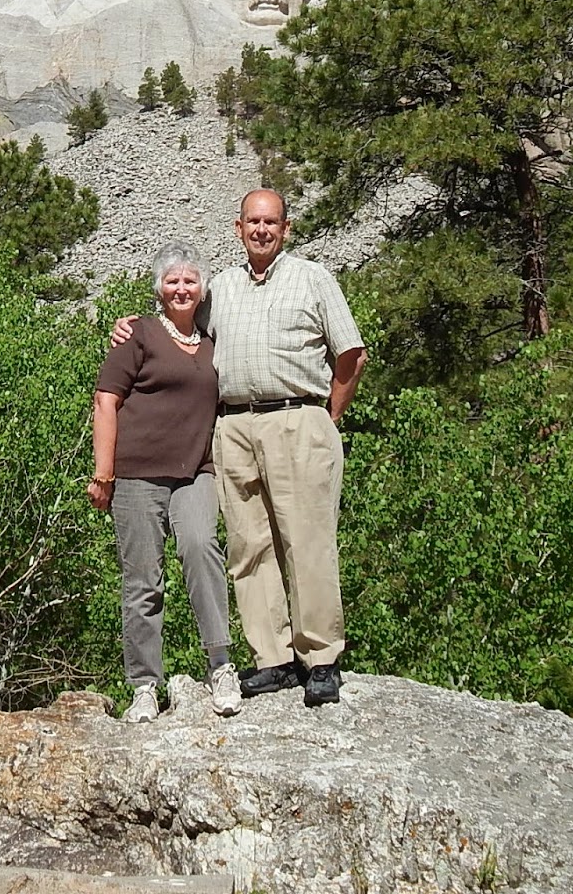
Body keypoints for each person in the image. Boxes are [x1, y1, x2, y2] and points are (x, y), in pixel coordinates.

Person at [113, 191, 366, 707]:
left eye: (271, 222)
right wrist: (130, 325)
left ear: (286, 228)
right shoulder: (222, 288)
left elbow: (351, 354)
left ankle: (320, 658)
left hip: (297, 417)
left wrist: (327, 416)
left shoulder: (313, 278)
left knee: (307, 541)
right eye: (253, 221)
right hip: (233, 427)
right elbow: (179, 320)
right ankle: (272, 658)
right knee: (248, 545)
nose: (261, 230)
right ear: (238, 227)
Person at [90, 242, 241, 723]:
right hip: (137, 475)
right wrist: (103, 474)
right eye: (172, 280)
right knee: (143, 580)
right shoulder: (138, 335)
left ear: (202, 289)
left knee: (201, 549)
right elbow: (105, 401)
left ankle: (221, 664)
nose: (181, 288)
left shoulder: (214, 341)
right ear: (159, 288)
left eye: (190, 280)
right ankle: (144, 686)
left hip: (195, 471)